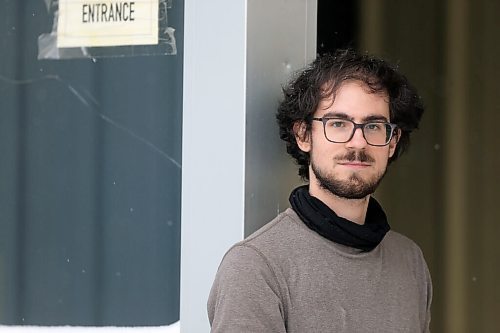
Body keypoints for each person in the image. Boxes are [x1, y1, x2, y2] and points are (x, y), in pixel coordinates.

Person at [207, 49, 432, 332]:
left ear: (392, 142)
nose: (358, 143)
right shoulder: (256, 266)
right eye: (338, 124)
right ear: (303, 135)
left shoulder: (409, 261)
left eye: (374, 126)